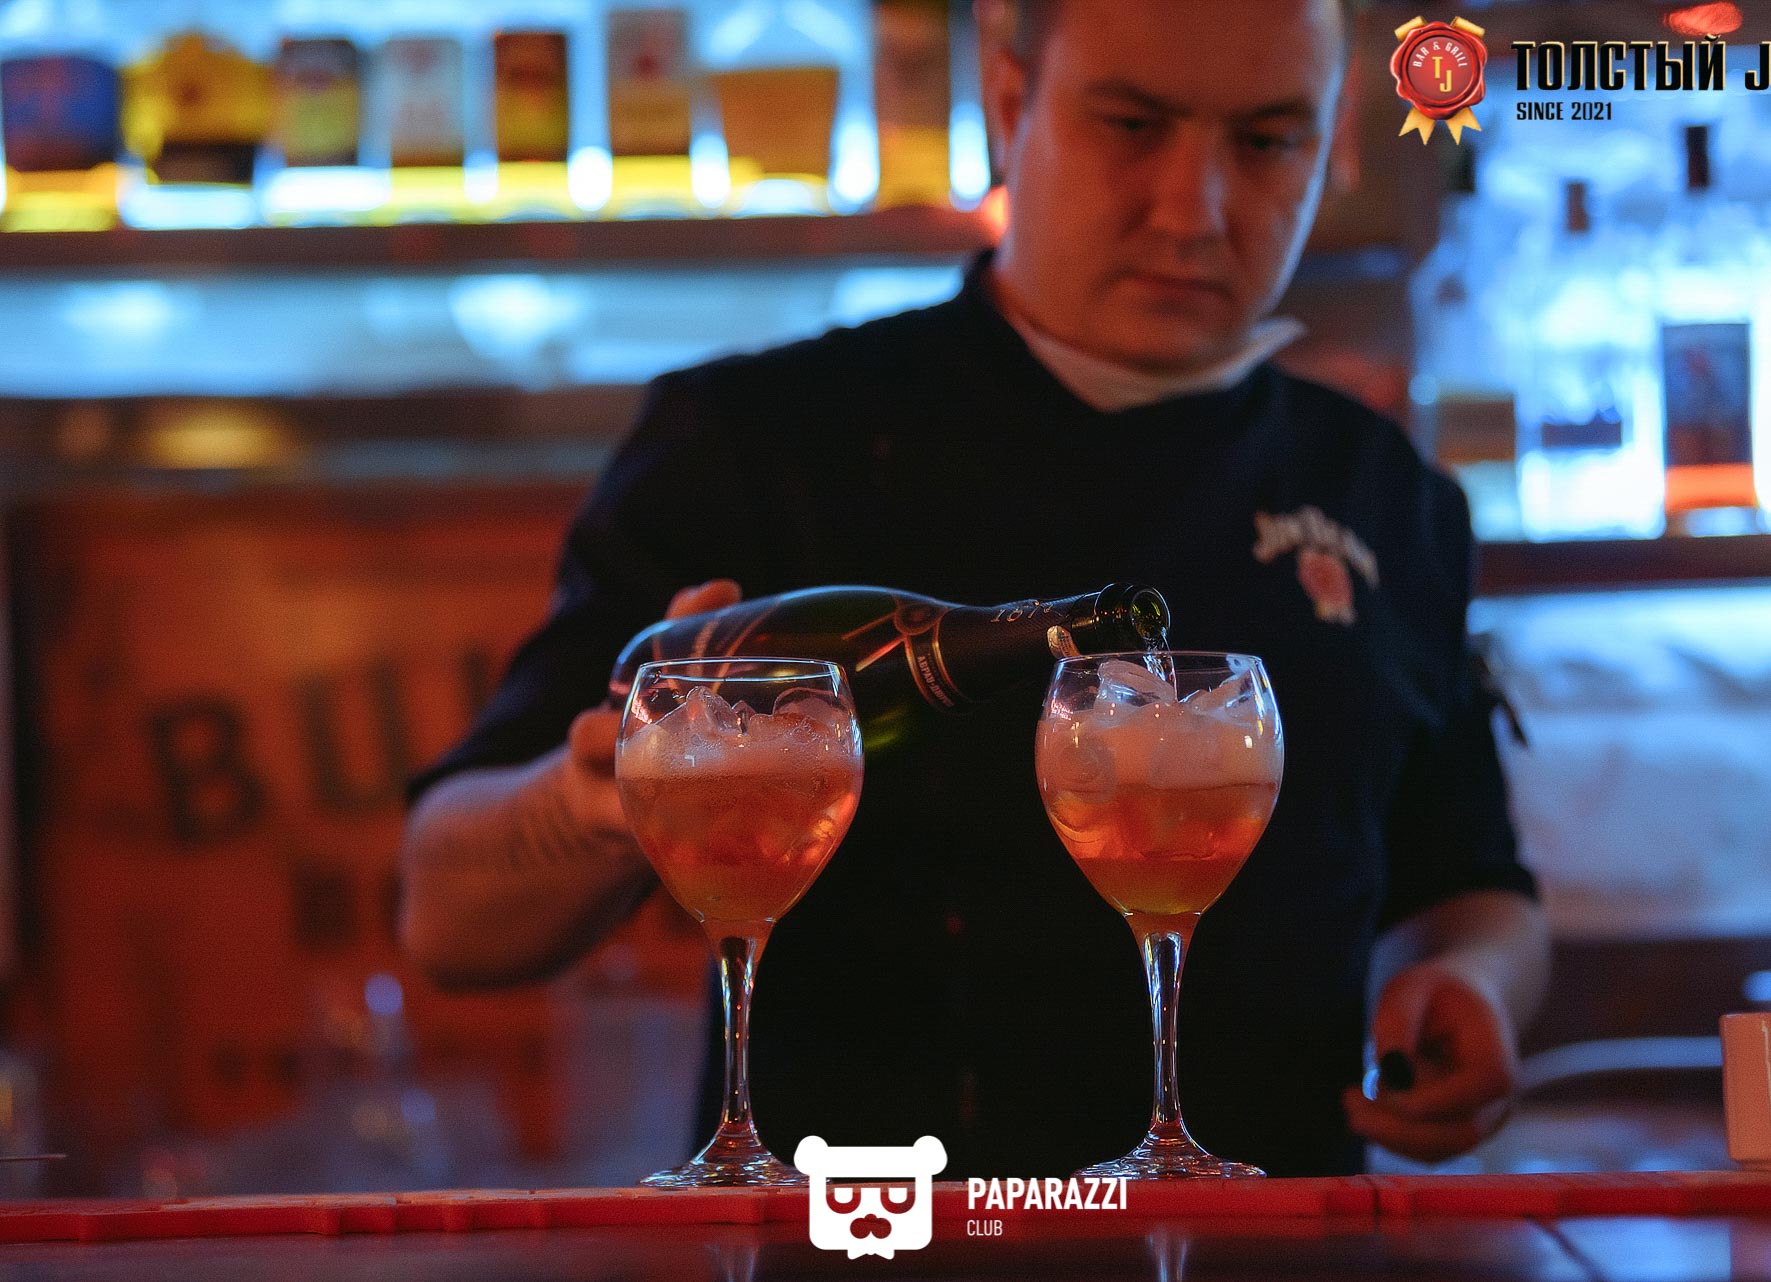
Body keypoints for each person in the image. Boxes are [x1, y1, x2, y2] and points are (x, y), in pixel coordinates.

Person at [400, 0, 1549, 1177]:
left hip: (1281, 1236)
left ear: (1335, 140)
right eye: (1132, 125)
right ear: (1009, 104)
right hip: (861, 1238)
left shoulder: (1385, 493)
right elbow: (446, 919)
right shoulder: (756, 441)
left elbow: (1471, 883)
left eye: (1265, 140)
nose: (1194, 210)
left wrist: (1468, 985)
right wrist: (596, 805)